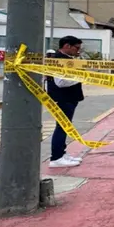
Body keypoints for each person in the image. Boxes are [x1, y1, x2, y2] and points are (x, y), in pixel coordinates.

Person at [46, 36, 85, 168]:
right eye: (77, 48)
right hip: (63, 98)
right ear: (67, 46)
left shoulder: (67, 59)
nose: (78, 51)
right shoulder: (59, 60)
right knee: (62, 127)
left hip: (69, 98)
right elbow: (61, 82)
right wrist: (81, 77)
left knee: (65, 127)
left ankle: (61, 153)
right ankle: (56, 158)